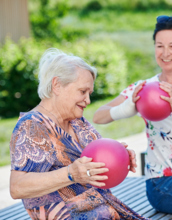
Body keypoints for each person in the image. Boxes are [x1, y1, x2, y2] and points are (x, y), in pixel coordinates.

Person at [93, 15, 172, 220]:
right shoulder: (144, 88)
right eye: (159, 46)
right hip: (164, 183)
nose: (165, 53)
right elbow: (98, 116)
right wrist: (126, 108)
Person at [9, 48, 149, 220]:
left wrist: (120, 155)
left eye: (89, 93)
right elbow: (17, 187)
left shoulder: (77, 121)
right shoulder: (32, 125)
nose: (88, 100)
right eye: (83, 92)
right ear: (57, 85)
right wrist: (70, 174)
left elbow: (99, 155)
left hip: (102, 208)